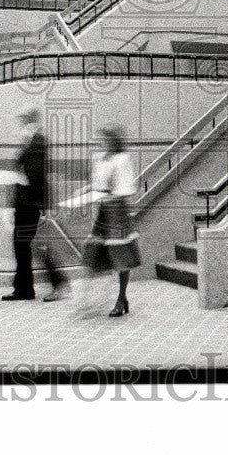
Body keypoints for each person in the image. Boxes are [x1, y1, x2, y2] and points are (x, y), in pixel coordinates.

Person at [2, 107, 68, 302]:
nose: (21, 122)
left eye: (24, 118)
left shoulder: (37, 139)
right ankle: (26, 288)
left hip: (29, 202)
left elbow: (37, 173)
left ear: (30, 119)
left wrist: (44, 205)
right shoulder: (31, 139)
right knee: (25, 245)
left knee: (26, 244)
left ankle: (52, 284)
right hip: (27, 201)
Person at [81, 126, 140, 317]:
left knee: (120, 255)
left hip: (117, 210)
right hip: (104, 209)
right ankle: (87, 299)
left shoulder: (122, 159)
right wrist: (87, 190)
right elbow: (100, 183)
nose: (102, 143)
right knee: (93, 251)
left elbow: (126, 188)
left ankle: (121, 298)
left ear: (114, 140)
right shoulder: (101, 158)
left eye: (105, 139)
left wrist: (107, 193)